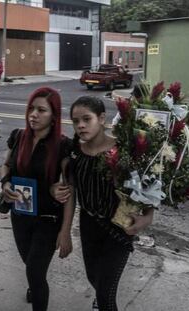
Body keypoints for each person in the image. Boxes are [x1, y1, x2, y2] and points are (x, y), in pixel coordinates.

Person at [54, 96, 154, 311]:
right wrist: (65, 232)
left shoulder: (123, 152)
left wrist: (148, 217)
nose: (80, 125)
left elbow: (145, 189)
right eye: (75, 121)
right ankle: (99, 297)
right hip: (89, 226)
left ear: (101, 118)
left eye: (86, 119)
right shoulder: (74, 155)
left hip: (119, 228)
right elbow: (70, 194)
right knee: (95, 278)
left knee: (107, 295)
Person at [0, 87, 75, 311]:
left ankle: (37, 291)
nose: (33, 114)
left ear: (54, 116)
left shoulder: (63, 145)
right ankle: (35, 285)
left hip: (48, 218)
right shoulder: (18, 136)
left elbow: (70, 192)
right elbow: (5, 165)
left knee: (34, 270)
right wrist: (5, 184)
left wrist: (65, 231)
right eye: (31, 108)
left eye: (41, 110)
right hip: (20, 215)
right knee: (30, 265)